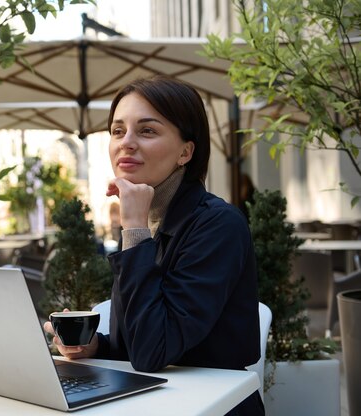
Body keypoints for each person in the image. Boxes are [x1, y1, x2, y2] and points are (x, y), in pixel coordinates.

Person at [44, 76, 263, 415]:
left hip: (210, 406)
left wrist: (132, 229)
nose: (126, 143)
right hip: (154, 400)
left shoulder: (219, 225)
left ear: (185, 152)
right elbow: (141, 335)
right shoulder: (150, 218)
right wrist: (95, 347)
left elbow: (153, 352)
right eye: (118, 131)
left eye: (146, 131)